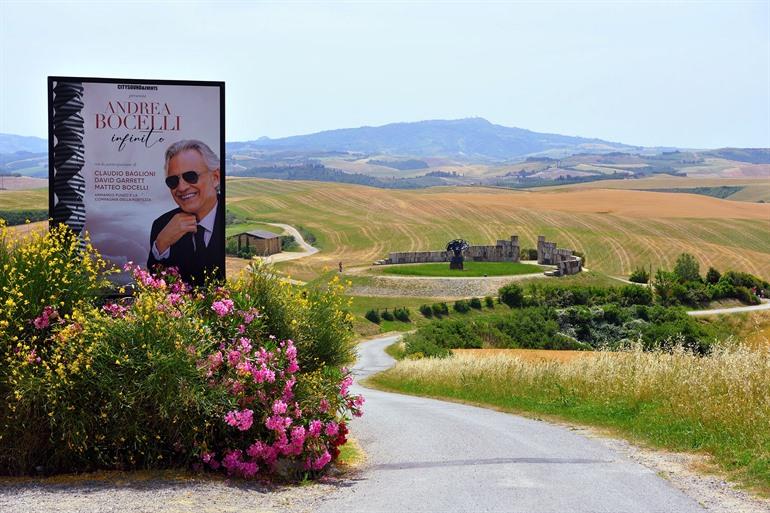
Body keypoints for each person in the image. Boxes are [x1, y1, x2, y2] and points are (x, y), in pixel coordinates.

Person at [147, 139, 224, 284]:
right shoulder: (162, 225)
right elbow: (156, 286)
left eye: (191, 176)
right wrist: (162, 244)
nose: (181, 187)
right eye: (173, 181)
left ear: (215, 177)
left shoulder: (229, 217)